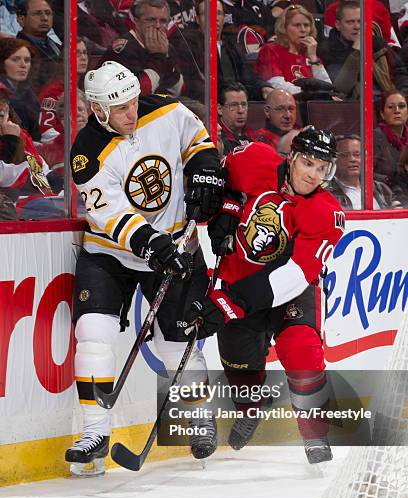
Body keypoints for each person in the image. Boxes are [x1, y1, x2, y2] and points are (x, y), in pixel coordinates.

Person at [66, 61, 224, 475]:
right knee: (93, 334)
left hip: (175, 244)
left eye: (133, 103)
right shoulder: (87, 152)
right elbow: (110, 213)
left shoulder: (166, 109)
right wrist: (150, 242)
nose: (131, 113)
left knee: (176, 340)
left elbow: (198, 139)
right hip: (111, 253)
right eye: (120, 109)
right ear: (97, 109)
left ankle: (198, 414)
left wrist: (206, 169)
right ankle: (95, 431)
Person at [185, 127, 346, 465]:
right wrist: (227, 208)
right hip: (238, 274)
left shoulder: (326, 212)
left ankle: (315, 433)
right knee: (240, 366)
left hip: (291, 292)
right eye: (308, 163)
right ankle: (250, 407)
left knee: (301, 349)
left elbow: (295, 276)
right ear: (292, 158)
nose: (313, 174)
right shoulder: (254, 158)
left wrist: (230, 304)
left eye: (322, 168)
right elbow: (220, 173)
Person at [174, 0, 270, 104]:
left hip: (236, 105)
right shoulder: (188, 47)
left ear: (224, 18)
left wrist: (263, 88)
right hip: (206, 106)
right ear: (197, 19)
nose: (214, 18)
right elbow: (193, 84)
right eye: (207, 13)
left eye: (218, 13)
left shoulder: (232, 48)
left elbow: (249, 78)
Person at [101, 0, 184, 97]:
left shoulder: (166, 47)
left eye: (162, 21)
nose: (157, 26)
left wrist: (167, 58)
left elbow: (178, 89)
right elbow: (140, 92)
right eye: (151, 20)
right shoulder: (124, 48)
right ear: (136, 21)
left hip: (161, 102)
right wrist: (158, 57)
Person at [255, 4, 331, 96]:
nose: (303, 30)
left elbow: (327, 87)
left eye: (306, 25)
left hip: (311, 103)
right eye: (297, 25)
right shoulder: (270, 50)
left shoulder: (310, 54)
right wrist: (312, 94)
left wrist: (313, 59)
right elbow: (276, 84)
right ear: (284, 28)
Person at [327, 134, 394, 209]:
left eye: (357, 155)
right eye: (345, 155)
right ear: (333, 160)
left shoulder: (381, 188)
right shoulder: (327, 193)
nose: (352, 159)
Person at [0, 37, 40, 141]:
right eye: (15, 59)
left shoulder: (30, 94)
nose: (23, 65)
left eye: (27, 60)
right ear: (2, 62)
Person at [16, 0, 62, 90]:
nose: (44, 18)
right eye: (37, 14)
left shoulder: (57, 46)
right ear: (21, 19)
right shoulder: (17, 50)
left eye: (48, 13)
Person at [374, 91, 408, 185]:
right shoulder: (375, 137)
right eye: (391, 107)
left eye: (401, 106)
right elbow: (367, 174)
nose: (397, 110)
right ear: (382, 114)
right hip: (387, 194)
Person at [218, 82, 257, 155]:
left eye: (244, 104)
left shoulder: (255, 136)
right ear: (220, 109)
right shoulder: (217, 139)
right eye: (233, 105)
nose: (240, 110)